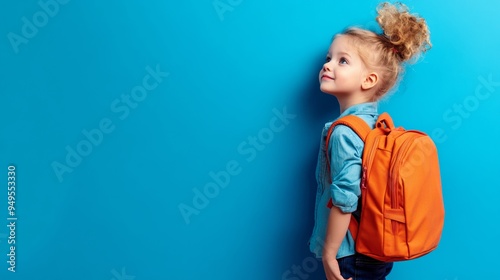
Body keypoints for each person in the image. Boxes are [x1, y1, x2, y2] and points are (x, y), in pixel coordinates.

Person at [308, 2, 432, 280]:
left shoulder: (344, 132)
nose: (327, 65)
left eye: (343, 60)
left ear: (369, 80)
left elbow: (344, 199)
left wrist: (329, 254)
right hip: (377, 249)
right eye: (328, 58)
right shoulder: (377, 127)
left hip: (350, 253)